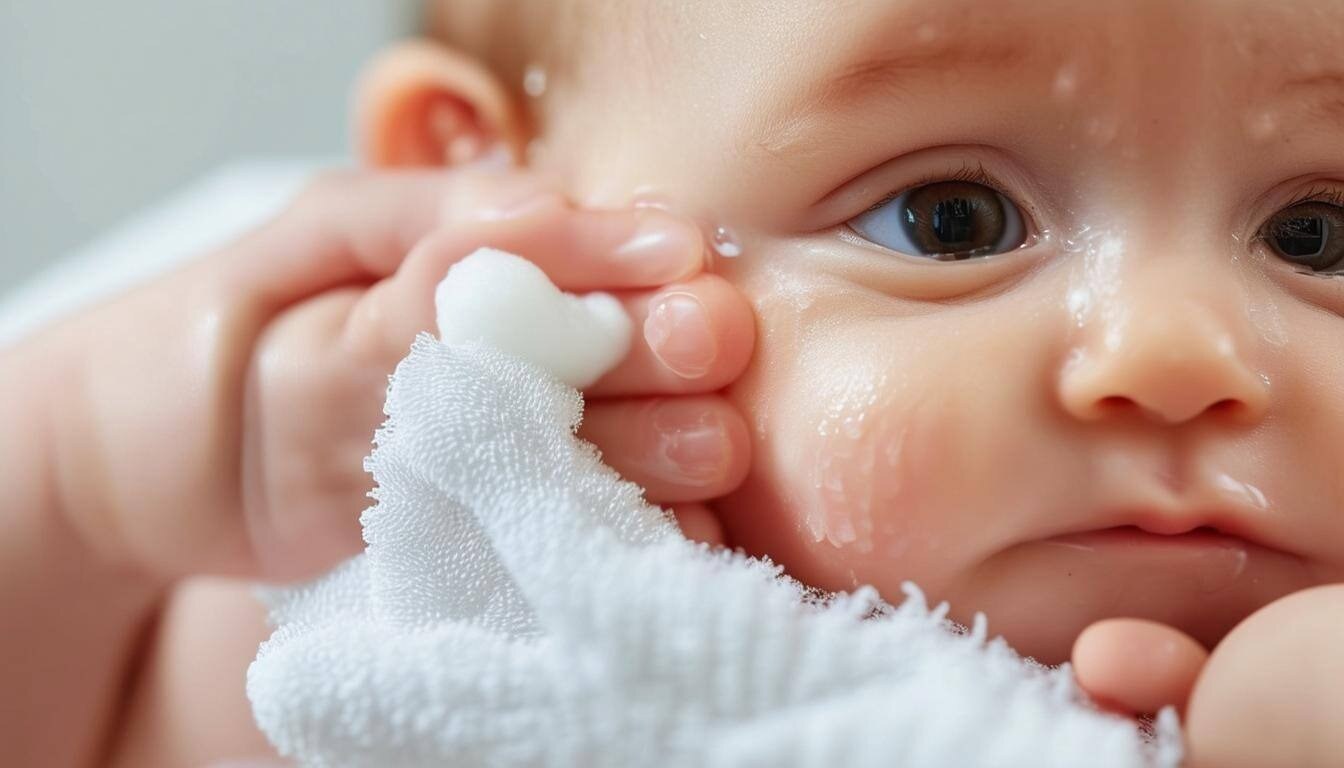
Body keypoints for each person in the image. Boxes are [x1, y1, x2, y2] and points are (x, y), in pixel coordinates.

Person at [6, 1, 1344, 765]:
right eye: (950, 219)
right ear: (479, 187)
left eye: (1316, 235)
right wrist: (82, 482)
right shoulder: (427, 611)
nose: (1182, 353)